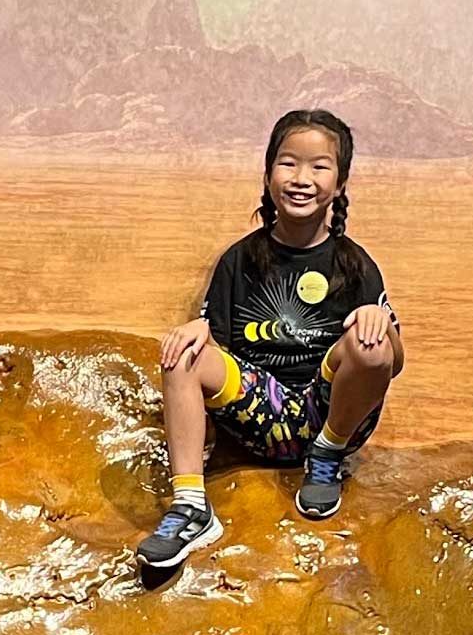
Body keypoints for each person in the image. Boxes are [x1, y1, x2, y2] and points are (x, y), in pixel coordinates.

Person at [136, 109, 403, 569]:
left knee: (371, 343)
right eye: (288, 163)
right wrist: (199, 330)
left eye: (320, 166)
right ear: (267, 172)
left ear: (339, 184)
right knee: (184, 354)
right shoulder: (239, 261)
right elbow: (218, 349)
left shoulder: (354, 265)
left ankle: (326, 457)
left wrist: (377, 322)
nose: (302, 178)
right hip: (262, 417)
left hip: (330, 418)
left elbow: (393, 362)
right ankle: (190, 506)